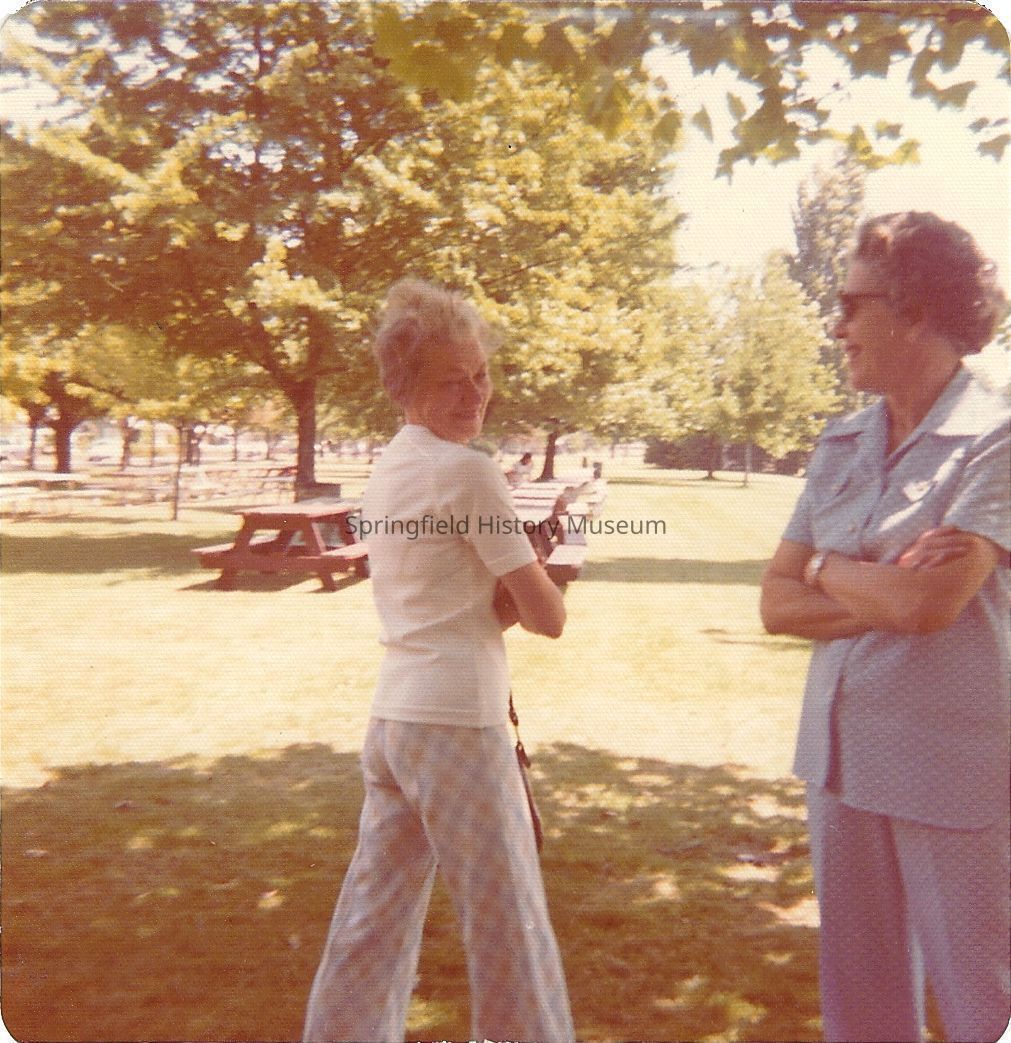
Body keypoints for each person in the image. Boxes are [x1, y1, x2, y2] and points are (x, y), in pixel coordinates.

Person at [302, 278, 574, 1043]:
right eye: (450, 380)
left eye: (479, 374)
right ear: (405, 386)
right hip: (458, 720)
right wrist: (534, 571)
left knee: (372, 919)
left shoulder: (392, 465)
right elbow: (547, 616)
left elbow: (452, 598)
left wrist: (504, 586)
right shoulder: (467, 470)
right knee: (509, 923)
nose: (473, 394)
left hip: (396, 720)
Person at [760, 212, 1010, 1043]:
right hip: (837, 762)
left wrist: (824, 569)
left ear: (914, 311)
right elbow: (774, 602)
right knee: (861, 1011)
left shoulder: (997, 437)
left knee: (983, 1003)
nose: (835, 325)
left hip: (952, 769)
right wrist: (856, 578)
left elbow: (924, 606)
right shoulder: (840, 441)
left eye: (850, 304)